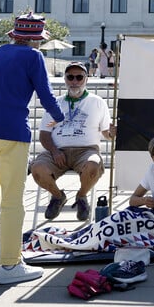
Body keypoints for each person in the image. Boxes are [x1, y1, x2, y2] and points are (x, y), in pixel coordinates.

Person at [0, 13, 65, 285]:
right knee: (12, 200)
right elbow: (45, 94)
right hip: (11, 133)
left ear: (14, 35)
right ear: (36, 40)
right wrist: (60, 116)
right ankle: (10, 264)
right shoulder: (34, 58)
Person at [30, 61, 116, 222]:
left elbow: (106, 133)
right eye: (70, 77)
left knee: (93, 164)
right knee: (36, 168)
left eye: (79, 77)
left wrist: (112, 133)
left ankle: (81, 197)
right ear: (65, 79)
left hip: (86, 150)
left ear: (86, 79)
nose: (75, 81)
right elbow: (44, 134)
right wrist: (54, 151)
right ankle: (58, 196)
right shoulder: (56, 102)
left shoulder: (97, 102)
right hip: (57, 150)